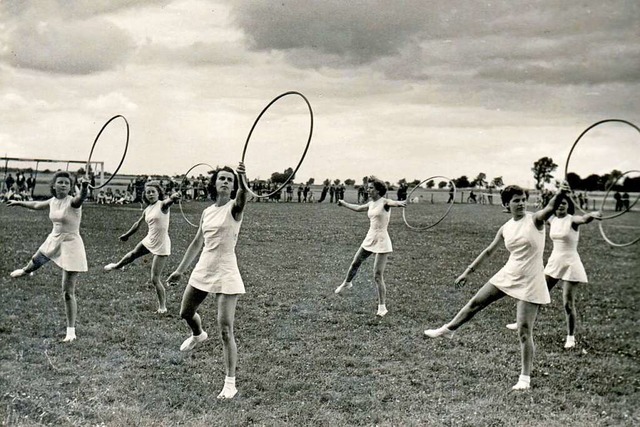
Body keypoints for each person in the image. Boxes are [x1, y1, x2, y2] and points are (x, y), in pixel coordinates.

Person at [424, 184, 568, 391]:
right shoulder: (506, 227)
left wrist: (561, 192)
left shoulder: (535, 220)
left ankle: (525, 378)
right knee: (475, 303)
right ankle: (448, 330)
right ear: (506, 205)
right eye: (515, 200)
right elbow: (489, 251)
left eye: (522, 199)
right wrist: (468, 272)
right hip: (509, 272)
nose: (520, 204)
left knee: (525, 330)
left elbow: (551, 207)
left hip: (531, 279)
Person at [166, 162, 247, 400]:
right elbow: (196, 243)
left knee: (225, 329)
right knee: (185, 312)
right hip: (204, 266)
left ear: (233, 187)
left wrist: (243, 179)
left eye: (229, 180)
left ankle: (230, 383)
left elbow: (243, 196)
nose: (225, 182)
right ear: (214, 183)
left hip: (226, 268)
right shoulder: (207, 211)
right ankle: (198, 334)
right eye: (222, 178)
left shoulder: (235, 208)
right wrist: (180, 270)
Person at [505, 194, 601, 349]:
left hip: (571, 263)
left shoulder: (572, 220)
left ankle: (570, 337)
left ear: (568, 205)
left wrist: (592, 215)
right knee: (536, 293)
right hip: (554, 262)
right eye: (558, 204)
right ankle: (521, 321)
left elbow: (583, 219)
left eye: (564, 204)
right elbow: (537, 216)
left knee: (568, 303)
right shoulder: (552, 220)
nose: (560, 206)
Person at [7, 171, 89, 342]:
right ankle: (25, 271)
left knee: (67, 292)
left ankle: (71, 331)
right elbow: (37, 204)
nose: (64, 185)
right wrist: (19, 202)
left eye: (67, 183)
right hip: (54, 238)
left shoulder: (73, 202)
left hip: (71, 244)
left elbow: (81, 197)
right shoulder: (53, 201)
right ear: (54, 185)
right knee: (35, 262)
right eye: (60, 182)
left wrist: (84, 186)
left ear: (70, 186)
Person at [334, 176, 407, 317]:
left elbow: (393, 203)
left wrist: (400, 203)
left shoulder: (384, 202)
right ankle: (347, 283)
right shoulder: (371, 203)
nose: (368, 190)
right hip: (370, 237)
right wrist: (343, 203)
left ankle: (382, 307)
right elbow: (358, 208)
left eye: (371, 188)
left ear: (378, 190)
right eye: (368, 188)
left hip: (382, 240)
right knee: (355, 262)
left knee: (377, 275)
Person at [104, 182, 181, 313]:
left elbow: (170, 201)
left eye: (153, 192)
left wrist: (174, 197)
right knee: (133, 254)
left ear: (158, 193)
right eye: (148, 192)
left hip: (161, 244)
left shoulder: (162, 205)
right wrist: (127, 235)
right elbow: (137, 224)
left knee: (155, 278)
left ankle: (162, 306)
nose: (150, 194)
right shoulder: (147, 209)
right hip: (149, 239)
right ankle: (117, 266)